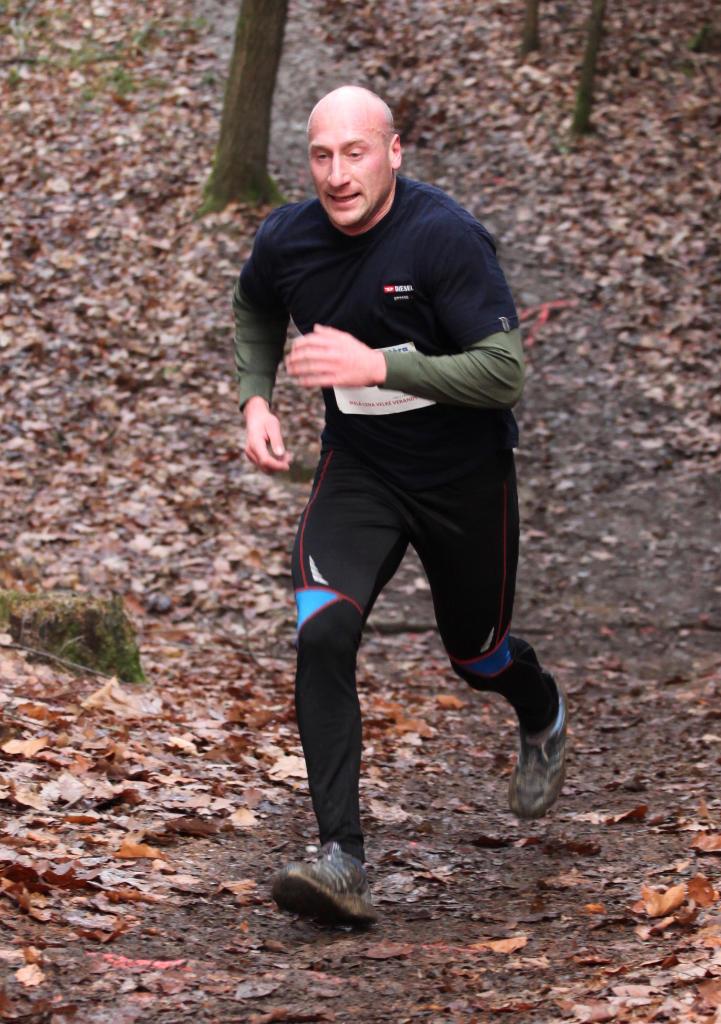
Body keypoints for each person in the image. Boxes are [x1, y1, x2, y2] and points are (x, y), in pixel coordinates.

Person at [233, 85, 567, 927]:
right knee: (321, 631)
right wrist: (255, 397)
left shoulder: (443, 237)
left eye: (355, 153)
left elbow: (503, 372)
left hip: (463, 477)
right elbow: (255, 305)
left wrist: (378, 365)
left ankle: (539, 708)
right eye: (321, 156)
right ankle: (340, 858)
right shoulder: (287, 237)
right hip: (360, 471)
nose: (337, 175)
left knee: (476, 655)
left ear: (392, 153)